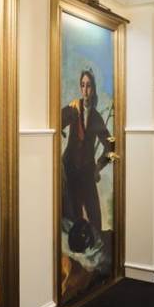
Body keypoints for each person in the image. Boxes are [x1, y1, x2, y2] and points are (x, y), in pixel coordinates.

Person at [61, 68, 113, 243]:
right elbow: (54, 121)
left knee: (95, 219)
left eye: (88, 86)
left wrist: (98, 167)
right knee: (72, 216)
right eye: (82, 85)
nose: (85, 90)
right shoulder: (73, 109)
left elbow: (112, 147)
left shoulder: (97, 118)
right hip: (69, 170)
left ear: (93, 88)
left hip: (87, 172)